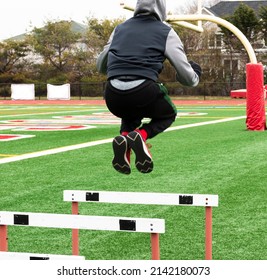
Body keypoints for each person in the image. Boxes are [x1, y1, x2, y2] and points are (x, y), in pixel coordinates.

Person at [96, 0, 201, 175]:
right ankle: (142, 135)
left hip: (112, 95)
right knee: (168, 114)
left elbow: (100, 66)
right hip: (143, 90)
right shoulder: (166, 31)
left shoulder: (119, 29)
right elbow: (188, 79)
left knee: (130, 109)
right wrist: (195, 71)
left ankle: (124, 137)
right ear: (162, 7)